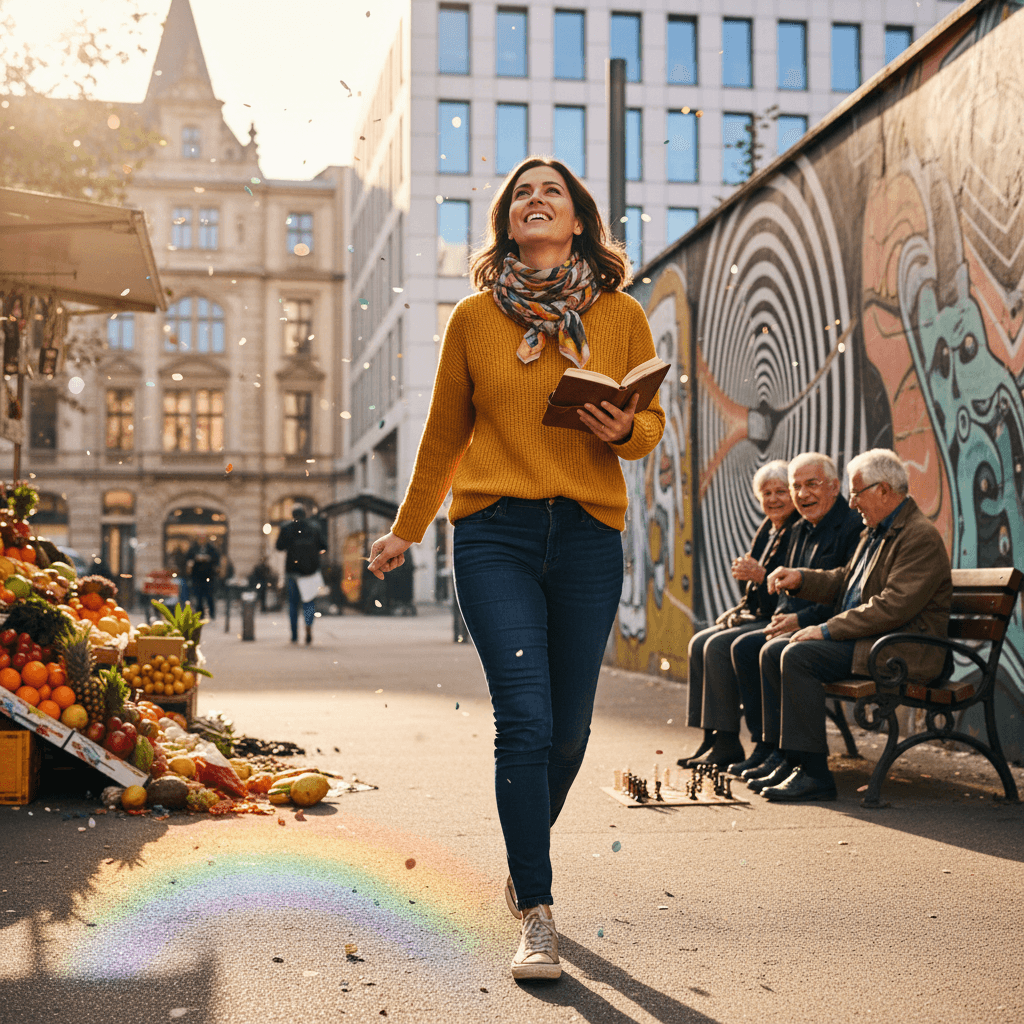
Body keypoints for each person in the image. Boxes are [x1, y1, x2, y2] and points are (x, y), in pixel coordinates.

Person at [367, 156, 665, 981]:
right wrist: (406, 530)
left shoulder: (622, 314)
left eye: (552, 192)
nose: (536, 200)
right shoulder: (473, 317)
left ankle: (520, 854)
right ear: (508, 220)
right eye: (522, 193)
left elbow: (651, 428)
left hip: (587, 535)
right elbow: (444, 435)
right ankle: (537, 908)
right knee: (525, 722)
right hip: (494, 533)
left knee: (569, 733)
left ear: (578, 220)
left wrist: (623, 430)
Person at [760, 448, 953, 802]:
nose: (851, 503)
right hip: (872, 641)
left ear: (884, 490)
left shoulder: (918, 536)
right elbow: (843, 581)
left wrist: (826, 629)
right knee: (774, 651)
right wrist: (800, 578)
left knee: (798, 656)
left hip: (902, 650)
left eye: (856, 492)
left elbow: (892, 606)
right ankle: (791, 759)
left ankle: (815, 775)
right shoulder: (875, 531)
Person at [724, 452, 862, 778]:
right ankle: (766, 746)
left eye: (811, 484)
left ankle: (790, 756)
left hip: (835, 630)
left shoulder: (853, 527)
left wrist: (799, 620)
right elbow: (789, 589)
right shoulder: (800, 527)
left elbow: (846, 595)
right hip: (803, 624)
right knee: (745, 646)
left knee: (767, 649)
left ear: (835, 487)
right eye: (796, 486)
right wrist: (783, 616)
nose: (802, 494)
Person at [678, 460, 797, 768]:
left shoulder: (796, 529)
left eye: (781, 492)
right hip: (759, 614)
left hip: (779, 617)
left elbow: (788, 593)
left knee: (719, 646)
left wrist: (761, 576)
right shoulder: (768, 528)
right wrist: (748, 579)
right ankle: (712, 735)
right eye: (766, 493)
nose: (773, 499)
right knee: (699, 642)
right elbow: (754, 592)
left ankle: (728, 740)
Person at [276, 504, 326, 644]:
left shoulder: (287, 528)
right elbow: (324, 546)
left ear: (293, 515)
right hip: (310, 572)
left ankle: (294, 634)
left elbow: (279, 546)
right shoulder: (314, 527)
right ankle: (308, 627)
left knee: (293, 604)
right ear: (305, 514)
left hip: (292, 570)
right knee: (308, 602)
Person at [186, 535, 219, 620]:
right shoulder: (193, 549)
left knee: (209, 596)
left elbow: (216, 560)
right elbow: (188, 559)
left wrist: (209, 558)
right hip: (197, 576)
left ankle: (212, 614)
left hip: (209, 576)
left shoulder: (211, 549)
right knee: (198, 597)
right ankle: (200, 614)